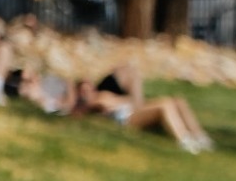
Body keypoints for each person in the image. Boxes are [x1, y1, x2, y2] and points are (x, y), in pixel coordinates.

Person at [74, 64, 215, 153]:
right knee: (164, 106)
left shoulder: (103, 94)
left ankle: (200, 137)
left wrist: (126, 99)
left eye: (89, 86)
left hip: (132, 108)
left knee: (178, 100)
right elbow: (98, 107)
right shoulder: (92, 103)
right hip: (127, 118)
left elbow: (125, 100)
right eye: (83, 89)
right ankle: (184, 140)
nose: (87, 90)